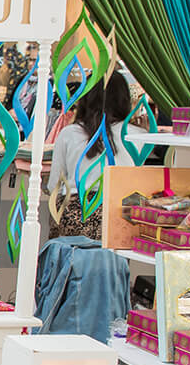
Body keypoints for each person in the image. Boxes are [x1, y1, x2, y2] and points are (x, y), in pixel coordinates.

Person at [47, 71, 135, 239]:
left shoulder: (69, 133)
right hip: (119, 217)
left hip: (73, 215)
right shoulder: (136, 135)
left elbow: (54, 186)